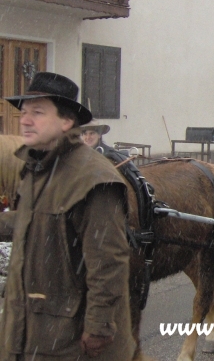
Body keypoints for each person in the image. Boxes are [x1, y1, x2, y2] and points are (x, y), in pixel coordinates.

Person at [0, 72, 134, 359]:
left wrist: (98, 327)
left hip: (68, 340)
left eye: (37, 112)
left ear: (66, 121)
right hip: (31, 331)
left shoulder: (93, 178)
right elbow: (31, 220)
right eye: (23, 112)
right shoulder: (36, 167)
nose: (24, 120)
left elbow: (108, 261)